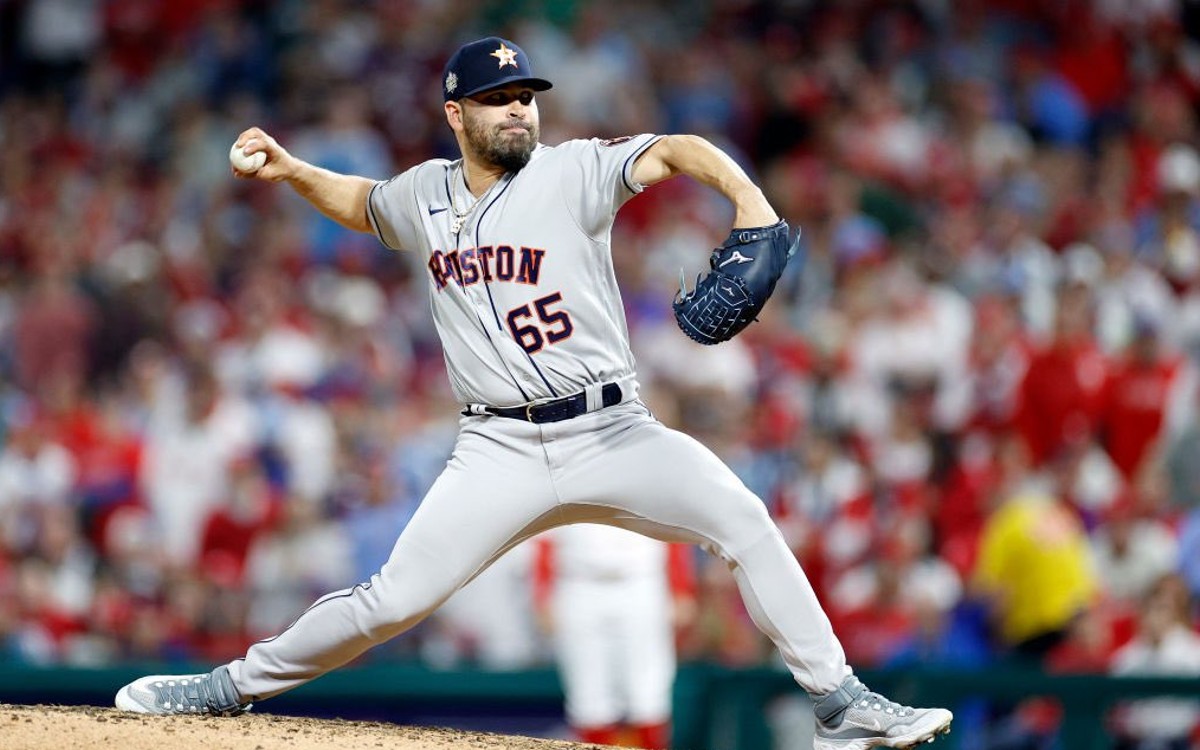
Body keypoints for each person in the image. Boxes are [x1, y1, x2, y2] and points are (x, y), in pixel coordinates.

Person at [113, 37, 953, 748]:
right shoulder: (425, 194)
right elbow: (366, 204)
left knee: (743, 519)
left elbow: (676, 149)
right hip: (497, 450)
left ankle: (841, 704)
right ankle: (224, 689)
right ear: (456, 116)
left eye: (523, 96)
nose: (516, 109)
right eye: (495, 99)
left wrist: (750, 201)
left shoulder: (575, 172)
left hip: (612, 430)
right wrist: (294, 170)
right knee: (389, 602)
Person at [532, 524, 693, 748]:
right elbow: (545, 535)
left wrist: (680, 586)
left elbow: (670, 523)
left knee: (648, 691)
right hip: (578, 582)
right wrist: (542, 595)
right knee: (588, 694)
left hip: (640, 579)